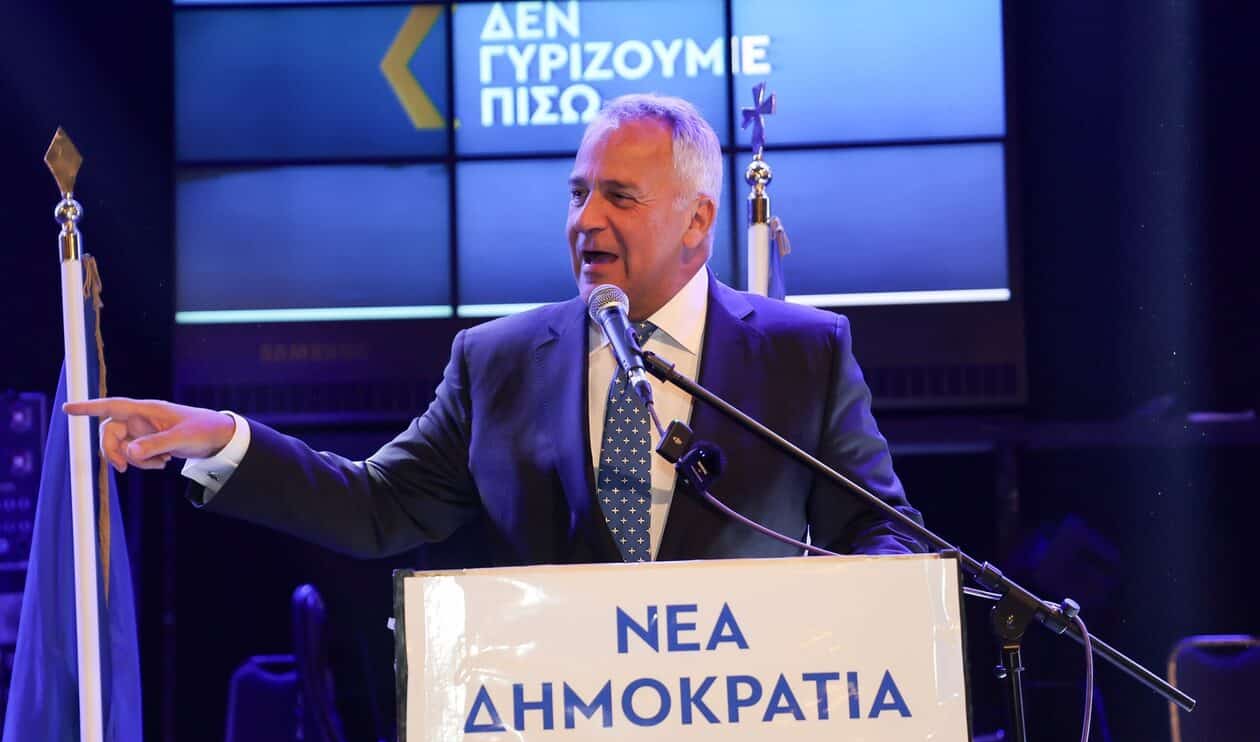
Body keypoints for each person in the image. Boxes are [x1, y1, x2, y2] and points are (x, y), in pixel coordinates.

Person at [66, 93, 925, 564]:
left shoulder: (802, 353)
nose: (585, 221)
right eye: (577, 194)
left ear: (698, 220)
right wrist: (223, 439)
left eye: (619, 197)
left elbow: (881, 531)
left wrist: (838, 616)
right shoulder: (499, 362)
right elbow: (377, 507)